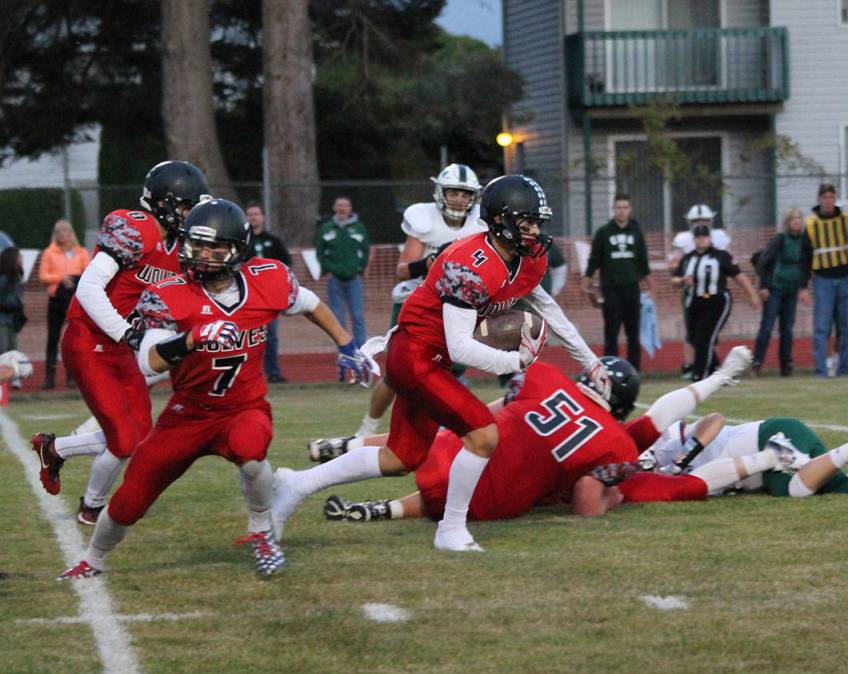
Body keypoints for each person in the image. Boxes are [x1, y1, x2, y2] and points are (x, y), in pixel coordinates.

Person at [272, 174, 613, 553]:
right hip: (415, 354)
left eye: (537, 222)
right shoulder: (469, 264)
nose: (534, 231)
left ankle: (297, 483)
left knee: (401, 457)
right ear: (500, 219)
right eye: (526, 222)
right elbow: (461, 346)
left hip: (433, 358)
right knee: (484, 435)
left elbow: (548, 309)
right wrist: (513, 360)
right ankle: (450, 529)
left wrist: (590, 361)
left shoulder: (525, 257)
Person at [56, 199, 371, 580]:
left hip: (243, 408)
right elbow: (148, 361)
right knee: (128, 501)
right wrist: (191, 339)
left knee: (251, 454)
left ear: (237, 249)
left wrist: (346, 344)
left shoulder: (267, 279)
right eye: (197, 245)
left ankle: (261, 532)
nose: (202, 255)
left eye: (214, 248)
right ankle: (93, 560)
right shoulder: (169, 291)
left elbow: (311, 303)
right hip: (187, 414)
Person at [316, 347, 755, 523]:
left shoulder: (547, 376)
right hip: (507, 495)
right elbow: (654, 422)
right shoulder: (618, 442)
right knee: (469, 486)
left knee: (446, 443)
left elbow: (501, 406)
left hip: (471, 449)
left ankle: (351, 450)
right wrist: (719, 379)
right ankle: (381, 509)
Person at [32, 160, 209, 526]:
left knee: (139, 438)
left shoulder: (178, 245)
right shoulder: (135, 227)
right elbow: (89, 287)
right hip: (87, 339)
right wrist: (126, 332)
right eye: (186, 206)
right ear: (163, 202)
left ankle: (59, 455)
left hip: (119, 345)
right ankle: (89, 504)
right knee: (125, 440)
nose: (191, 214)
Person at [355, 164, 486, 437]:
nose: (460, 199)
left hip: (455, 304)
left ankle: (448, 434)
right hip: (415, 298)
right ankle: (366, 430)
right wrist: (428, 262)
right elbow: (402, 269)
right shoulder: (423, 218)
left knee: (449, 371)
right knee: (395, 373)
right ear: (441, 192)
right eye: (454, 192)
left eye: (465, 194)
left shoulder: (479, 225)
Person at [632, 391, 848, 500]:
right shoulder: (661, 484)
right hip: (776, 446)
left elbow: (713, 420)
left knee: (793, 490)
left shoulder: (661, 444)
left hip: (770, 439)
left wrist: (682, 458)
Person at [672, 224, 760, 381]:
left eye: (704, 236)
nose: (701, 240)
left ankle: (700, 375)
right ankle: (719, 372)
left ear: (710, 238)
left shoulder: (720, 256)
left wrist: (752, 295)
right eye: (698, 237)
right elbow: (675, 280)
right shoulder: (688, 258)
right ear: (694, 239)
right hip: (694, 301)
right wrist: (682, 280)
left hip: (716, 300)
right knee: (694, 338)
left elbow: (738, 276)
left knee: (704, 338)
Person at [804, 183, 848, 378]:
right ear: (819, 200)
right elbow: (805, 256)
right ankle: (820, 371)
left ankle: (844, 370)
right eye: (824, 197)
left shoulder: (846, 221)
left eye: (831, 197)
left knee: (846, 327)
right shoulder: (811, 224)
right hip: (823, 279)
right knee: (821, 328)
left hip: (846, 278)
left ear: (835, 199)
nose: (828, 201)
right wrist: (803, 285)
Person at [581, 194, 650, 370]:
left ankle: (634, 370)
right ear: (613, 209)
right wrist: (587, 279)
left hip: (632, 288)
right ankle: (610, 369)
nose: (622, 211)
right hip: (611, 289)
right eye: (618, 207)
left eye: (625, 207)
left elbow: (643, 261)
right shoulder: (604, 232)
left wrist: (649, 284)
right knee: (611, 332)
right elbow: (594, 258)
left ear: (630, 209)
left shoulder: (636, 232)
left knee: (632, 332)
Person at [670, 204, 731, 378]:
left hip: (713, 290)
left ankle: (711, 366)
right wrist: (682, 275)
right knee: (693, 331)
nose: (700, 223)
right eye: (696, 221)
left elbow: (727, 260)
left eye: (703, 220)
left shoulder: (718, 238)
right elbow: (675, 264)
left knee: (710, 333)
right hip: (692, 291)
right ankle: (693, 365)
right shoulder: (684, 239)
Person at [752, 208, 812, 376]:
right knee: (767, 327)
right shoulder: (779, 240)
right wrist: (763, 286)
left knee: (787, 330)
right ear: (787, 222)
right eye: (793, 219)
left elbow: (806, 265)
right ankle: (757, 362)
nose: (797, 222)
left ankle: (786, 365)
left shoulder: (804, 242)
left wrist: (804, 287)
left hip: (791, 290)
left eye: (799, 219)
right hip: (774, 289)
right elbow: (763, 261)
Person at [38, 219, 91, 389]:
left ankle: (72, 377)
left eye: (65, 231)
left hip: (75, 300)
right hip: (56, 300)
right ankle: (49, 377)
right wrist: (61, 278)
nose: (62, 234)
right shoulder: (49, 253)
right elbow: (43, 276)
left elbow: (89, 273)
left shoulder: (81, 252)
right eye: (58, 231)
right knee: (53, 339)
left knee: (73, 339)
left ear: (70, 233)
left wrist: (75, 281)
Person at [246, 202, 292, 383]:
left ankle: (273, 372)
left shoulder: (273, 241)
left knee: (271, 335)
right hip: (247, 295)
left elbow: (286, 263)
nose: (253, 217)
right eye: (249, 214)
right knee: (247, 336)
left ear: (262, 217)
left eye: (256, 214)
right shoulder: (242, 240)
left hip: (268, 296)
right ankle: (247, 374)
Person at [316, 196, 369, 348]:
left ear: (350, 208)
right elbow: (320, 251)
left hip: (354, 279)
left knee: (358, 317)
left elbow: (365, 249)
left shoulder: (359, 227)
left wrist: (361, 268)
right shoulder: (327, 228)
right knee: (337, 318)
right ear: (334, 208)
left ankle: (362, 351)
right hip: (335, 280)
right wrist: (327, 269)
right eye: (339, 205)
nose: (342, 208)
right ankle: (344, 351)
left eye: (345, 205)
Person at [0, 247, 25, 358]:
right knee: (4, 350)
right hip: (2, 319)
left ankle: (12, 374)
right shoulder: (4, 278)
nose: (22, 258)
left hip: (12, 318)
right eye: (19, 256)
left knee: (13, 350)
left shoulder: (18, 276)